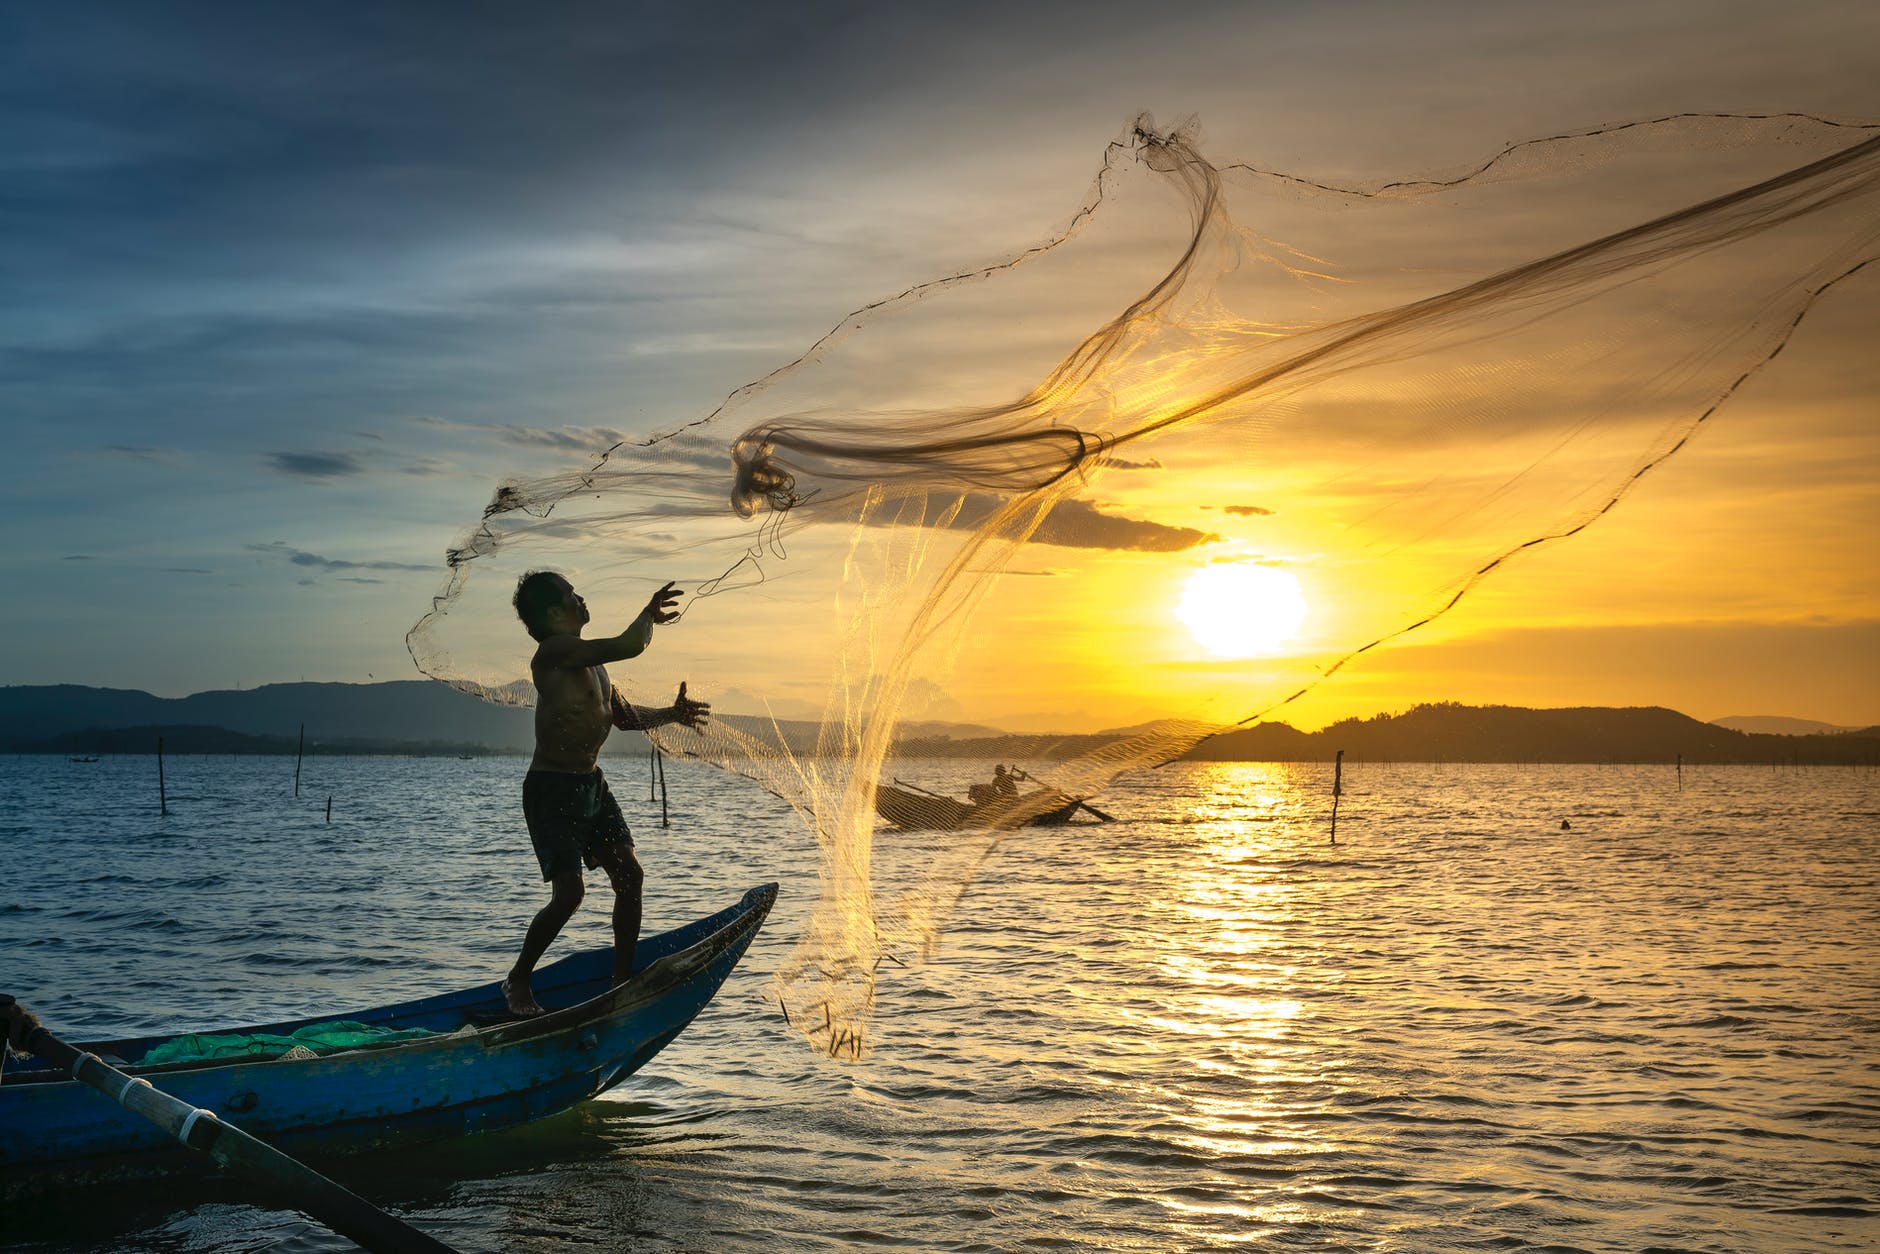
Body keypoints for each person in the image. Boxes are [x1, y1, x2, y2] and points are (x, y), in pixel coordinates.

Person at [502, 570, 710, 1018]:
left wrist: (671, 714)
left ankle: (621, 981)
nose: (582, 598)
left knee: (630, 877)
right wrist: (649, 615)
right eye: (572, 594)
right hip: (551, 789)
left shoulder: (593, 664)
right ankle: (518, 979)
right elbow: (631, 644)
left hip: (591, 785)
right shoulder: (554, 653)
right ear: (555, 613)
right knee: (570, 894)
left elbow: (626, 719)